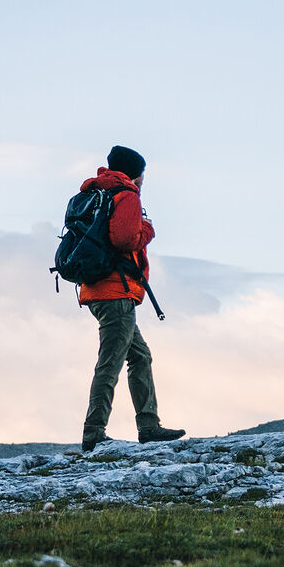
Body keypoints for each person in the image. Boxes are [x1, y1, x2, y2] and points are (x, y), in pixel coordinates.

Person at [77, 145, 184, 452]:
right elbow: (124, 239)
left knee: (139, 356)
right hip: (116, 292)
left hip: (97, 289)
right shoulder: (126, 195)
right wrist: (146, 231)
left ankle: (149, 425)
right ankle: (94, 432)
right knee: (110, 362)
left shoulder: (96, 193)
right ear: (136, 174)